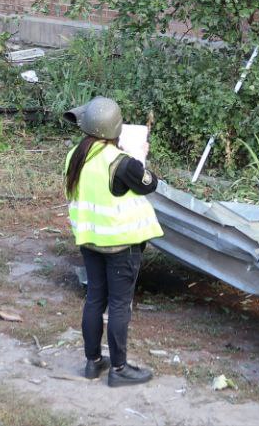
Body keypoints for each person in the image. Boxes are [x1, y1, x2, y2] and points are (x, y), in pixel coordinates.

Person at [63, 96, 162, 387]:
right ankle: (119, 369)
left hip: (90, 240)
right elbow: (149, 183)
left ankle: (93, 362)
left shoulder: (76, 155)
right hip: (121, 246)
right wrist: (138, 156)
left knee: (95, 299)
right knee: (120, 305)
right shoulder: (122, 164)